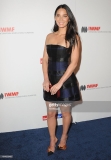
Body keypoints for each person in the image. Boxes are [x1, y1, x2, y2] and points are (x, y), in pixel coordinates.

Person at [42, 4, 81, 156]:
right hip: (50, 82)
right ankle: (52, 139)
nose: (61, 19)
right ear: (54, 17)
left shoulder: (74, 37)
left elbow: (74, 64)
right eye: (58, 15)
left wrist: (59, 84)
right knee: (51, 114)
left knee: (65, 114)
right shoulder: (49, 36)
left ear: (69, 18)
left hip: (64, 83)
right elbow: (45, 60)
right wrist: (46, 79)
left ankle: (64, 136)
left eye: (65, 15)